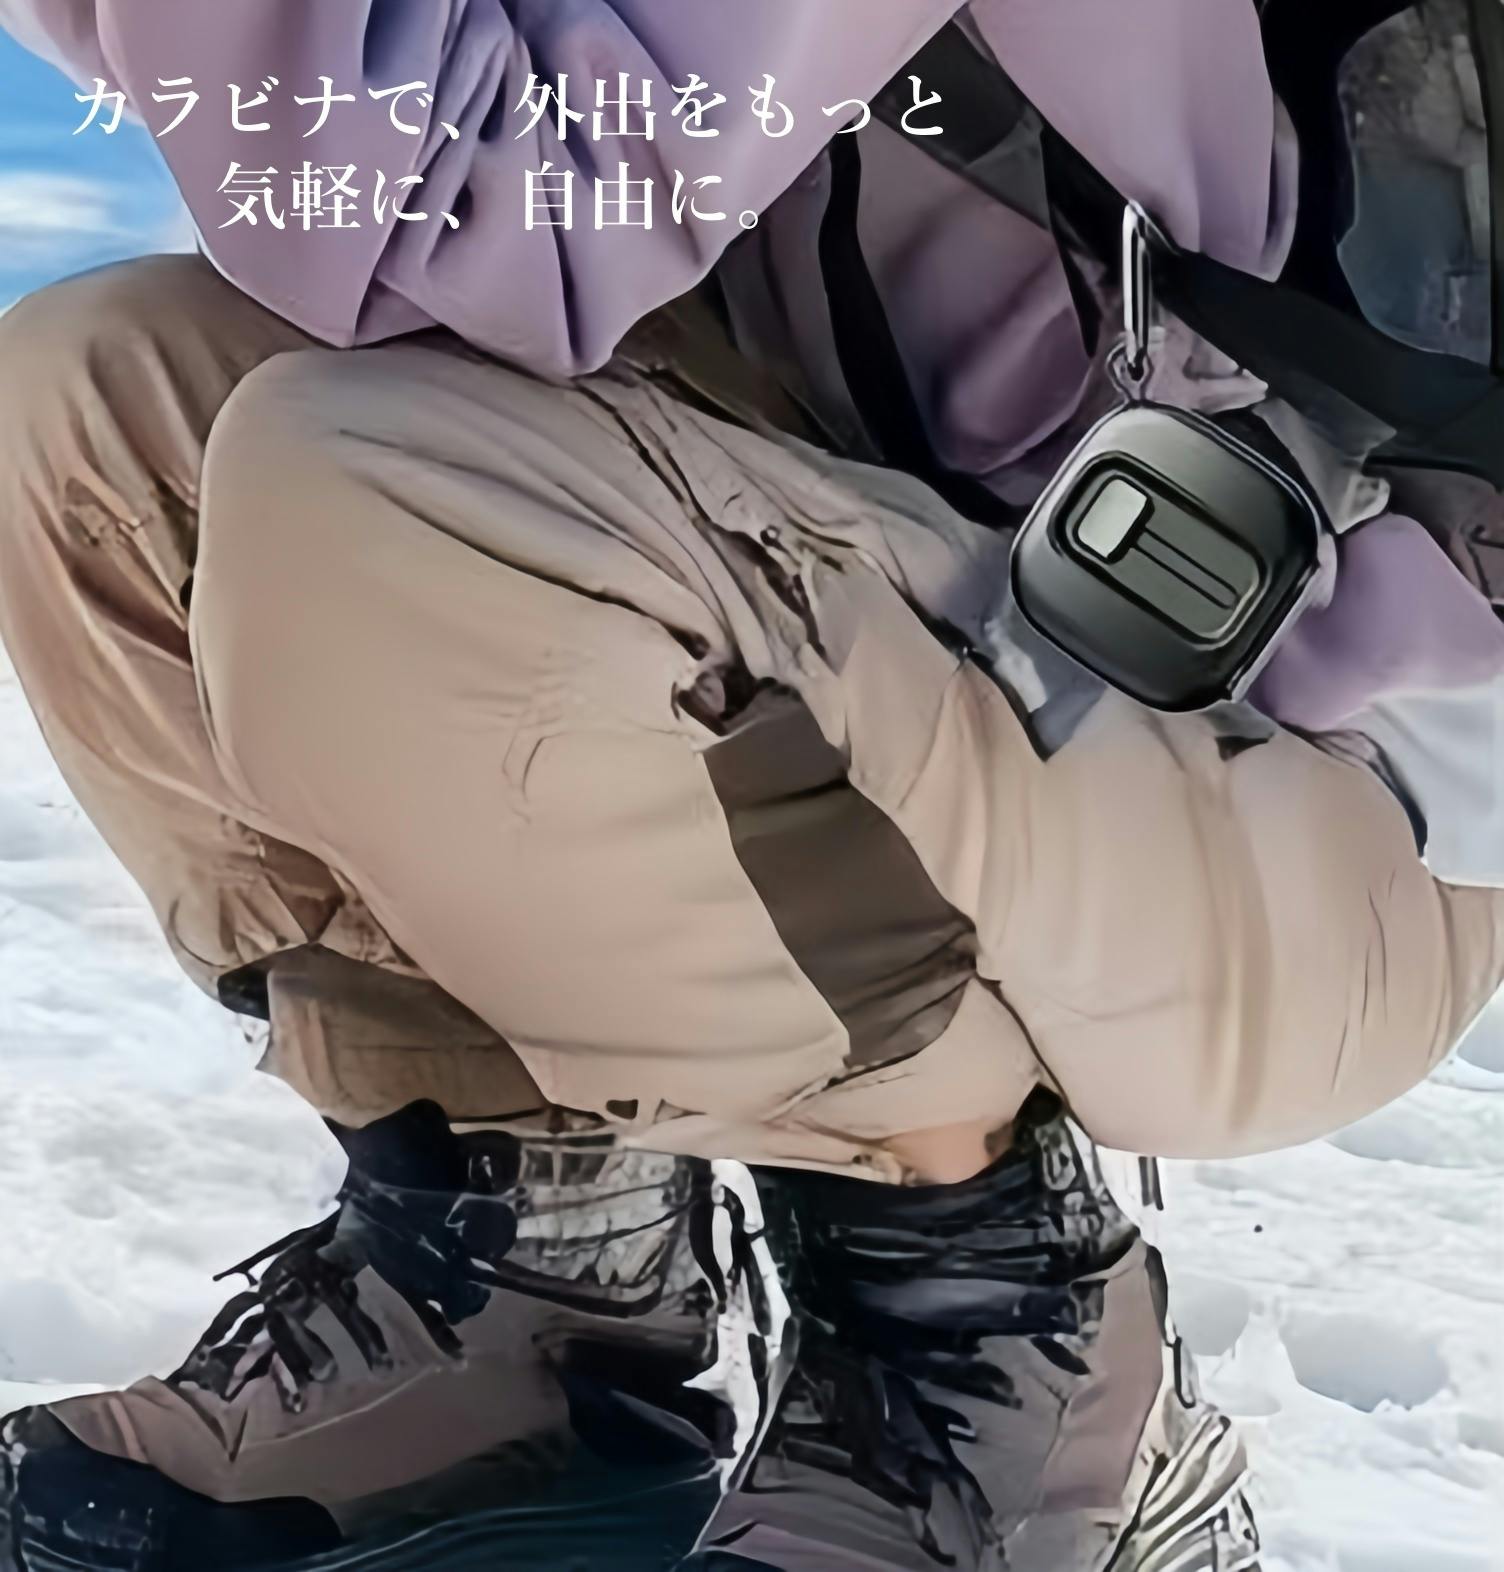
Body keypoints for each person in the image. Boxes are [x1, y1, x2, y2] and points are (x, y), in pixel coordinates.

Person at [1, 0, 1501, 1186]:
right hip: (998, 616)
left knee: (374, 485)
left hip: (1309, 807)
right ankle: (521, 1258)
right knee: (101, 413)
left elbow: (480, 220)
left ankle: (986, 1317)